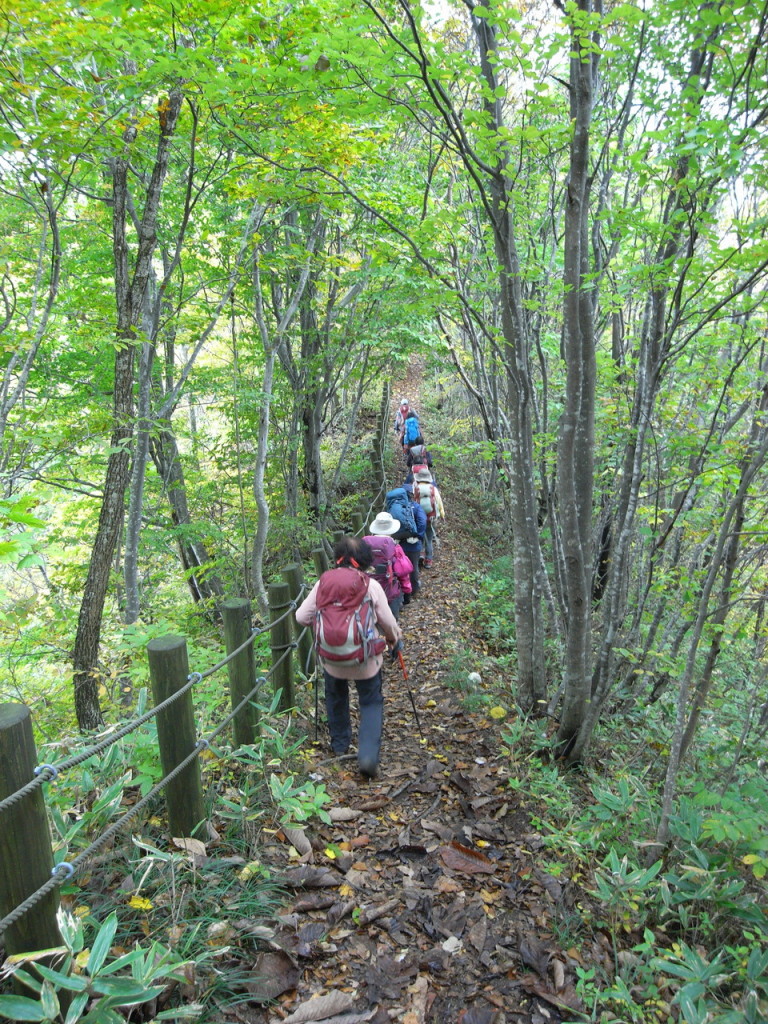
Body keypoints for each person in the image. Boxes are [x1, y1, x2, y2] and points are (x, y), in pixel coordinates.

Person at [296, 535, 402, 779]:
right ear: (365, 561)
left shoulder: (323, 583)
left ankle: (340, 746)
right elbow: (388, 623)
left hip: (332, 660)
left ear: (337, 558)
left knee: (335, 698)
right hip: (365, 660)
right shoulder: (370, 585)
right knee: (371, 701)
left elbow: (302, 617)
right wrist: (394, 639)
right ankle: (367, 756)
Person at [364, 512, 413, 619]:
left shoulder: (364, 543)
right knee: (392, 620)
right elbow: (403, 572)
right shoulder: (394, 546)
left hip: (367, 591)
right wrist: (407, 591)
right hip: (390, 591)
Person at [413, 467, 445, 568]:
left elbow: (413, 502)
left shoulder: (415, 488)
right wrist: (442, 515)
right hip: (431, 518)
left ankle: (420, 556)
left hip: (418, 518)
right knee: (429, 539)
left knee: (419, 537)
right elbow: (439, 503)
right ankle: (428, 560)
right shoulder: (433, 489)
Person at [400, 495, 427, 599]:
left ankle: (403, 590)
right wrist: (418, 535)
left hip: (399, 543)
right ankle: (414, 589)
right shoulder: (416, 507)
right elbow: (422, 521)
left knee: (401, 566)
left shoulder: (395, 508)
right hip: (413, 544)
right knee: (413, 567)